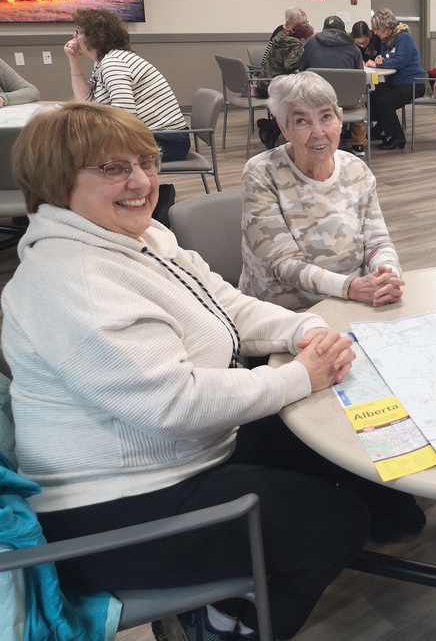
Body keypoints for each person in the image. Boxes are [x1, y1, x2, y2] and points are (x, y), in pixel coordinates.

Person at [2, 101, 370, 641]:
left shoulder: (140, 237)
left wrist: (303, 330)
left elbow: (225, 303)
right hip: (115, 510)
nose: (141, 181)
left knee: (332, 439)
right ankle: (225, 624)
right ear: (56, 182)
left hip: (178, 456)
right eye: (113, 168)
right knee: (337, 524)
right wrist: (299, 375)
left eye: (146, 161)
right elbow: (174, 403)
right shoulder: (73, 280)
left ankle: (349, 527)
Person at [241, 71, 404, 310]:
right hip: (288, 314)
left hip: (355, 302)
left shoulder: (356, 169)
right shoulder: (261, 173)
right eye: (302, 121)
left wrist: (387, 276)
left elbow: (377, 241)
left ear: (340, 118)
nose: (318, 132)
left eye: (326, 117)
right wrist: (350, 287)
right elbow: (283, 263)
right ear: (284, 127)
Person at [64, 9, 189, 162]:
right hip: (154, 136)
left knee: (84, 153)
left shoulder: (113, 63)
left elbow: (125, 115)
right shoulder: (104, 62)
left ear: (95, 37)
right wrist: (74, 60)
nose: (74, 36)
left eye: (78, 32)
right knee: (82, 149)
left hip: (167, 141)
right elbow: (86, 101)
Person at [298, 15, 367, 155]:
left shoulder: (311, 44)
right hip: (348, 101)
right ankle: (359, 144)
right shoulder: (353, 47)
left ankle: (317, 140)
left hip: (318, 100)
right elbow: (359, 75)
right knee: (359, 102)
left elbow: (302, 69)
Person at [365, 8, 425, 151]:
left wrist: (378, 64)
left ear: (388, 27)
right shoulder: (386, 40)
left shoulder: (404, 37)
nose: (375, 32)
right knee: (373, 93)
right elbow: (386, 58)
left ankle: (398, 136)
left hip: (412, 83)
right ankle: (380, 127)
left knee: (385, 103)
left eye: (378, 29)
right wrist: (380, 59)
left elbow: (400, 61)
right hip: (396, 82)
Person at [258, 9, 314, 97]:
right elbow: (290, 67)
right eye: (302, 23)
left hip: (263, 83)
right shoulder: (295, 43)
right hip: (274, 86)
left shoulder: (281, 36)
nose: (305, 25)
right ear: (290, 23)